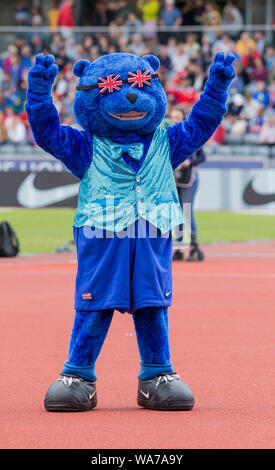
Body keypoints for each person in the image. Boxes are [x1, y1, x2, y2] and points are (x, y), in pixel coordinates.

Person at [170, 107, 205, 261]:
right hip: (173, 179)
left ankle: (194, 247)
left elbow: (202, 157)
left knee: (187, 213)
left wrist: (189, 162)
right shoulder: (168, 134)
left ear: (184, 118)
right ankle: (178, 247)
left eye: (178, 117)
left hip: (189, 178)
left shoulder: (192, 134)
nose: (175, 120)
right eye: (173, 117)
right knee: (175, 214)